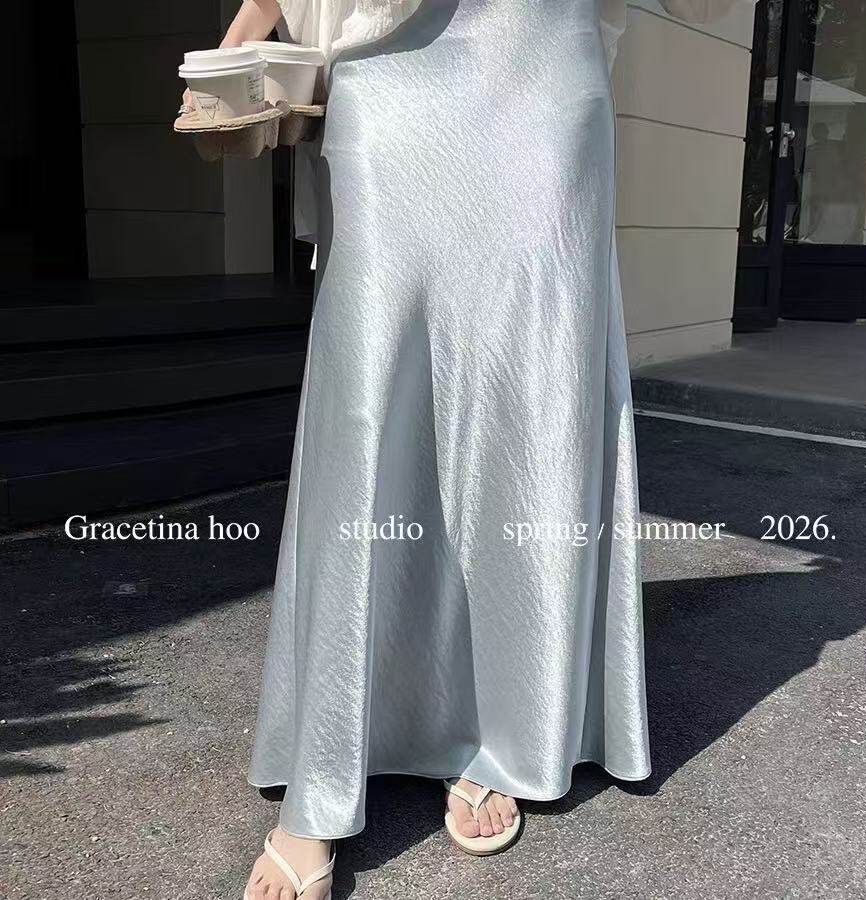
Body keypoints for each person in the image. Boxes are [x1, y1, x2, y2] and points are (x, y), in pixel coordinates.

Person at [197, 2, 654, 898]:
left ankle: (501, 727)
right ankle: (327, 765)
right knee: (368, 394)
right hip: (388, 65)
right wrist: (248, 27)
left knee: (530, 391)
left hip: (538, 59)